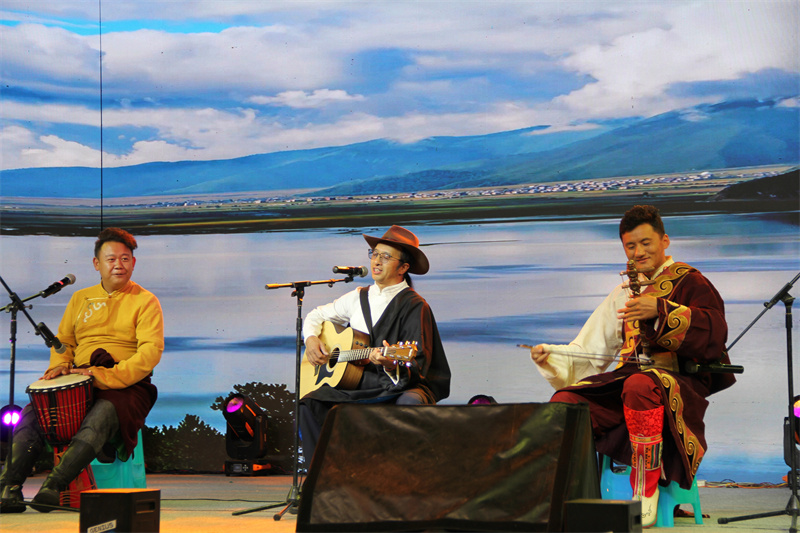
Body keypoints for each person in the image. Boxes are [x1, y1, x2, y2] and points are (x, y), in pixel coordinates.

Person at [528, 205, 735, 528]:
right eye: (630, 246)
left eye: (646, 243)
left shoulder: (692, 282)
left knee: (639, 385)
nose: (638, 252)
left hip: (679, 382)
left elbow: (715, 330)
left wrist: (661, 310)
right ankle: (573, 495)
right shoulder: (622, 292)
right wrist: (551, 355)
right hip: (630, 381)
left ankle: (645, 489)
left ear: (664, 241)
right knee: (567, 402)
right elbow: (590, 349)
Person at [0, 227, 164, 513]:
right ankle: (8, 487)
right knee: (34, 413)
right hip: (79, 377)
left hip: (126, 384)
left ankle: (54, 485)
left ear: (134, 263)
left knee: (104, 411)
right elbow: (63, 342)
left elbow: (150, 353)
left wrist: (106, 376)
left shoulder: (145, 300)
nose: (118, 265)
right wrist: (60, 367)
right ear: (96, 264)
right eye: (111, 259)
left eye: (125, 259)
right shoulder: (80, 298)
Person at [299, 225, 451, 463]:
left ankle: (399, 475)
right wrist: (310, 339)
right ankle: (324, 475)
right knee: (309, 404)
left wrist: (390, 364)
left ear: (403, 268)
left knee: (409, 402)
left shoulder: (415, 306)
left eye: (386, 257)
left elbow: (418, 363)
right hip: (359, 383)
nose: (377, 261)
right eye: (375, 254)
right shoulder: (357, 297)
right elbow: (316, 315)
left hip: (402, 384)